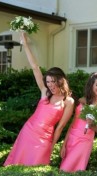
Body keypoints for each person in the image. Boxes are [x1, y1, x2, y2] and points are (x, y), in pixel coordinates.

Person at [4, 32, 74, 166]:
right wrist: (25, 45)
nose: (50, 85)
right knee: (19, 164)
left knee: (36, 168)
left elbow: (61, 127)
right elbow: (35, 68)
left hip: (44, 139)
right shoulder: (45, 91)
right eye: (48, 82)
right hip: (28, 131)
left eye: (53, 81)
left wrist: (52, 145)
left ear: (60, 80)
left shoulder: (68, 101)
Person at [60, 72, 97, 172]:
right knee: (64, 170)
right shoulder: (82, 100)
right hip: (72, 138)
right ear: (91, 85)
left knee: (65, 170)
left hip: (85, 140)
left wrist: (91, 124)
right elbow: (73, 123)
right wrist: (64, 144)